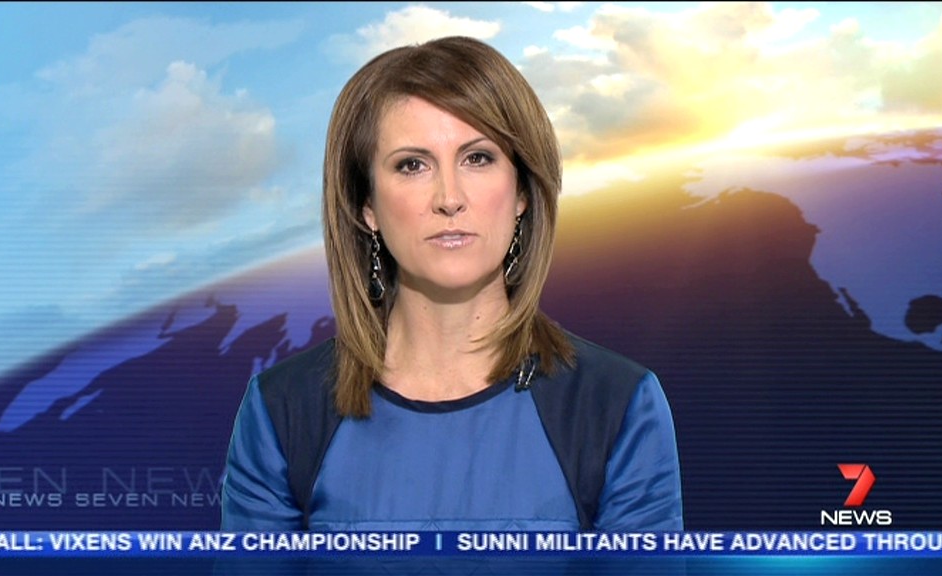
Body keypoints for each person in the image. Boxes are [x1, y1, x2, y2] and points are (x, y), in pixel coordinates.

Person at [220, 35, 683, 532]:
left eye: (477, 158)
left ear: (522, 191)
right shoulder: (282, 409)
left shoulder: (616, 403)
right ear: (367, 205)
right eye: (412, 165)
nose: (449, 198)